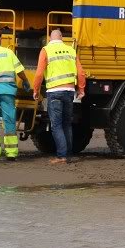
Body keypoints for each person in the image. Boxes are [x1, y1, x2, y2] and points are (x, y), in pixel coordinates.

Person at [32, 30, 85, 164]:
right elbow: (81, 72)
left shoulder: (46, 50)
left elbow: (38, 74)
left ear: (50, 38)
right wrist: (81, 89)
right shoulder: (71, 50)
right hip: (69, 92)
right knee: (67, 124)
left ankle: (61, 156)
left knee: (56, 125)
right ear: (62, 38)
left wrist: (36, 90)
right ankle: (68, 154)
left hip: (54, 92)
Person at [0, 28, 31, 161]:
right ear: (0, 38)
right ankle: (11, 152)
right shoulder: (8, 53)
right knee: (9, 121)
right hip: (8, 92)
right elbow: (19, 70)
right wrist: (25, 81)